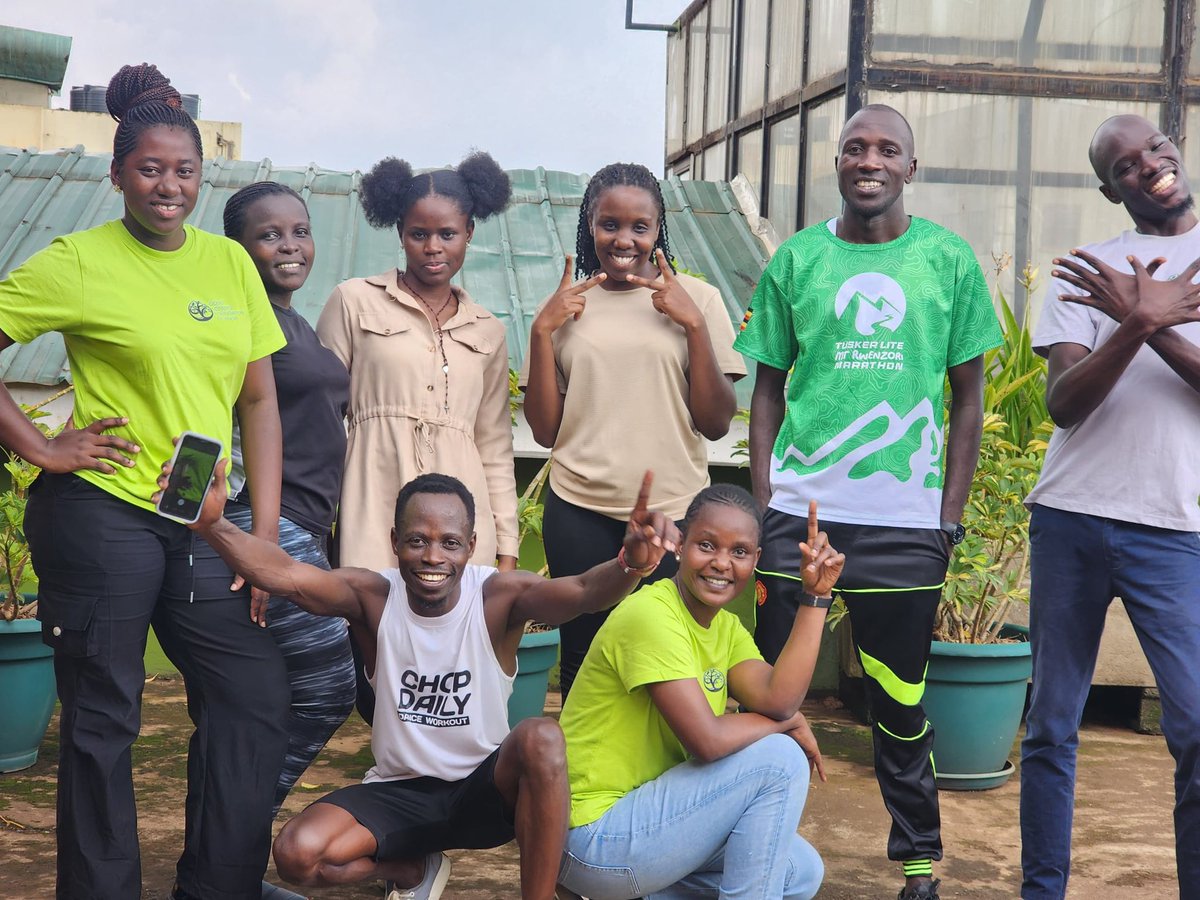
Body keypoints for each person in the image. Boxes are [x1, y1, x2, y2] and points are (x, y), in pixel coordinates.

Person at [0, 64, 289, 900]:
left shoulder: (229, 263)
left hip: (201, 516)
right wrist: (43, 449)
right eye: (150, 169)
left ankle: (217, 886)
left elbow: (258, 401)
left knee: (252, 692)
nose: (169, 186)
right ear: (118, 174)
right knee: (105, 717)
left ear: (203, 176)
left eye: (184, 170)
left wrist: (262, 538)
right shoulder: (79, 261)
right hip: (103, 511)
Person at [161, 459, 679, 900]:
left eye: (450, 543)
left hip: (483, 791)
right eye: (417, 541)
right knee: (299, 856)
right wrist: (213, 526)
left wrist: (629, 565)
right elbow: (287, 575)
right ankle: (413, 870)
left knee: (541, 736)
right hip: (399, 792)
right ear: (394, 542)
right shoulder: (372, 597)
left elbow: (585, 592)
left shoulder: (497, 598)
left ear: (471, 545)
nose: (433, 556)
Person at [735, 104, 1002, 900]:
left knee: (900, 700)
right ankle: (751, 849)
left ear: (911, 168)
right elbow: (766, 392)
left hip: (905, 524)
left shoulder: (948, 261)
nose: (870, 160)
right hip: (801, 518)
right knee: (770, 696)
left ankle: (919, 862)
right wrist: (765, 506)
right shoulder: (797, 260)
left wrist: (947, 518)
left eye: (888, 149)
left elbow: (968, 400)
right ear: (838, 163)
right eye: (855, 147)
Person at [1019, 114, 1200, 900]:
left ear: (1175, 147)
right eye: (1125, 164)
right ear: (1109, 189)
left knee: (1195, 728)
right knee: (1051, 726)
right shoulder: (1085, 270)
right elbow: (1064, 404)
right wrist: (1138, 318)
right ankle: (1043, 891)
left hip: (1174, 528)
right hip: (1070, 518)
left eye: (1154, 146)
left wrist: (1146, 324)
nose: (1149, 164)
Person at [520, 161, 746, 697]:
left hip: (671, 512)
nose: (624, 240)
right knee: (582, 659)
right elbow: (545, 432)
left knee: (666, 659)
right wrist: (541, 331)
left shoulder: (698, 300)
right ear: (590, 225)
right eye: (610, 224)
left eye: (639, 227)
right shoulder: (566, 306)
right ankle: (583, 755)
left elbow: (716, 423)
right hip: (579, 509)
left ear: (657, 229)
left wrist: (693, 325)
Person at [556, 488, 841, 899]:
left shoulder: (724, 628)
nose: (722, 563)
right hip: (593, 835)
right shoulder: (651, 614)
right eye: (706, 545)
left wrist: (816, 596)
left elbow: (779, 699)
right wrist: (786, 724)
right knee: (780, 760)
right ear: (680, 546)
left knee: (799, 871)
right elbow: (707, 741)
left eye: (739, 552)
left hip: (650, 825)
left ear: (756, 560)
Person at [222, 182, 358, 899]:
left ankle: (227, 864)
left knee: (273, 701)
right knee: (330, 686)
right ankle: (229, 850)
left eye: (299, 231)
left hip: (306, 526)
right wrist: (251, 536)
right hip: (265, 524)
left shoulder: (293, 323)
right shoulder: (235, 321)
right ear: (237, 248)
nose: (290, 246)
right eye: (269, 234)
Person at [317, 152, 518, 575]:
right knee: (369, 608)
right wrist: (316, 518)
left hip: (463, 517)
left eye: (448, 234)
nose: (433, 248)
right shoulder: (353, 301)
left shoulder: (489, 330)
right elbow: (318, 418)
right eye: (418, 234)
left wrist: (507, 544)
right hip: (373, 501)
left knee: (455, 614)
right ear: (399, 232)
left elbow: (495, 446)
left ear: (469, 232)